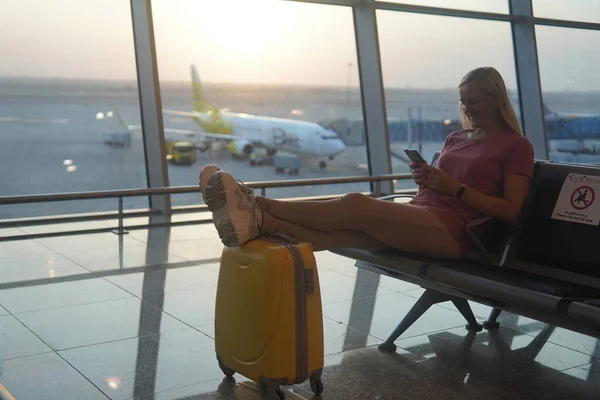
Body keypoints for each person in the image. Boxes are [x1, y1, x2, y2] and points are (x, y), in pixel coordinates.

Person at [198, 67, 534, 259]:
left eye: (473, 101)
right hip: (422, 212)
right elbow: (437, 190)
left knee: (356, 204)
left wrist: (455, 188)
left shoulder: (516, 146)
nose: (467, 108)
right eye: (463, 102)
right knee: (337, 234)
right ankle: (256, 224)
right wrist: (426, 179)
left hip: (456, 231)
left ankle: (253, 203)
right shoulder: (457, 138)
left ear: (496, 98)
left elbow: (510, 210)